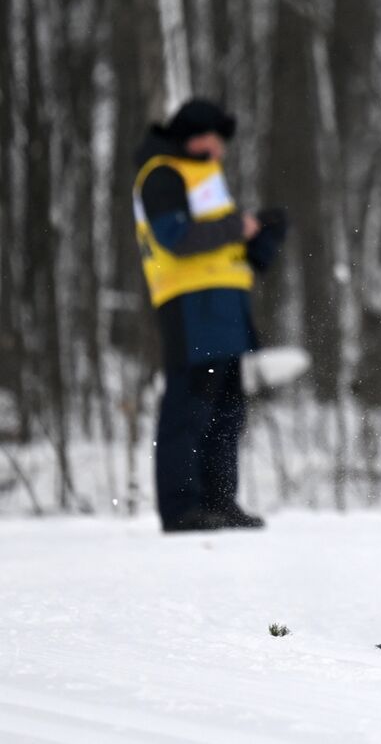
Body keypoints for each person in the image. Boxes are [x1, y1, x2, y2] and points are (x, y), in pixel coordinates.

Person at [132, 98, 288, 532]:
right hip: (190, 305)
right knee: (189, 407)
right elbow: (175, 237)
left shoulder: (205, 176)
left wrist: (263, 236)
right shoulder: (163, 173)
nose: (220, 151)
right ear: (195, 137)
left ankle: (219, 502)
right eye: (215, 141)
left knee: (226, 408)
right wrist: (240, 227)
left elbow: (224, 245)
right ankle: (181, 508)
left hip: (224, 304)